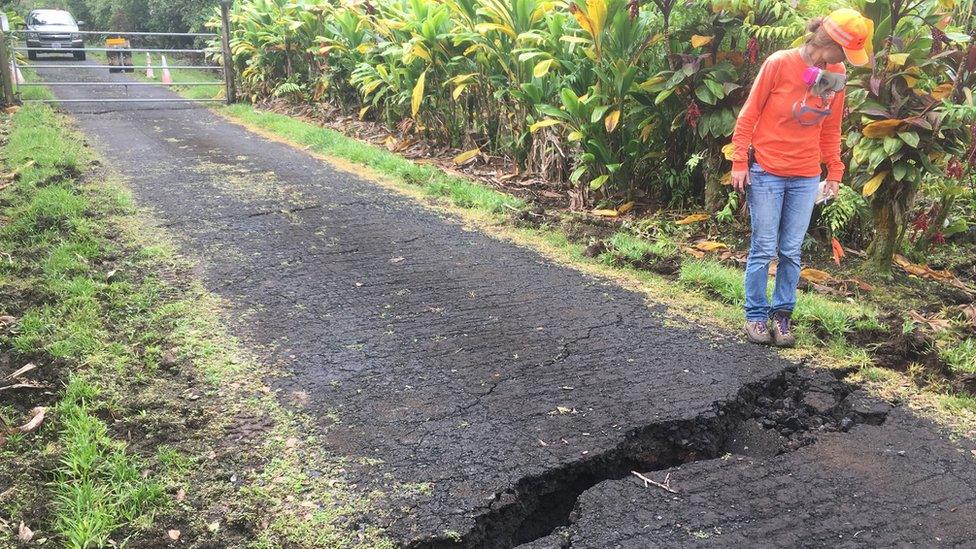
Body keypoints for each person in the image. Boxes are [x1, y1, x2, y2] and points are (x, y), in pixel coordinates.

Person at [730, 8, 872, 347]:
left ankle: (782, 316)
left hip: (806, 175)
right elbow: (749, 113)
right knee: (764, 248)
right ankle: (755, 316)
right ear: (831, 43)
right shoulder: (779, 63)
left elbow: (831, 129)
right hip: (766, 170)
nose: (847, 60)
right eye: (846, 52)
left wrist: (834, 171)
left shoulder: (836, 74)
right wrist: (739, 160)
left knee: (791, 250)